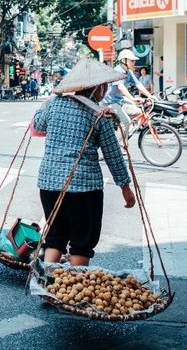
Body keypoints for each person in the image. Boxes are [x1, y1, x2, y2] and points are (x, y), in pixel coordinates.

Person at [32, 58, 136, 266]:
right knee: (82, 241)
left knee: (55, 236)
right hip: (83, 188)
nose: (105, 90)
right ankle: (71, 291)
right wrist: (125, 188)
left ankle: (48, 284)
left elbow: (37, 124)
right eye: (104, 86)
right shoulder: (100, 115)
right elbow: (113, 155)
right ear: (98, 87)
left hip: (49, 184)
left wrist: (49, 100)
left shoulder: (55, 105)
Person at [100, 49, 154, 131]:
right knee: (126, 122)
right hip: (110, 103)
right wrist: (133, 99)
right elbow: (120, 87)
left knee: (139, 112)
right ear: (123, 60)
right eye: (132, 61)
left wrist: (150, 96)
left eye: (134, 61)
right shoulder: (117, 71)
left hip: (119, 100)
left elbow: (138, 84)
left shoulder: (129, 72)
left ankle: (125, 127)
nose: (134, 63)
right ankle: (121, 143)